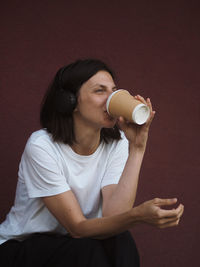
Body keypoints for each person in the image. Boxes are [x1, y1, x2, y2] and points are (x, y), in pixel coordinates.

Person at [0, 59, 184, 267]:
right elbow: (77, 228)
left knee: (121, 241)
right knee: (86, 250)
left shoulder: (118, 143)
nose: (111, 99)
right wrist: (138, 216)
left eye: (114, 90)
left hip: (78, 245)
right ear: (70, 101)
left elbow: (114, 216)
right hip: (21, 248)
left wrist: (137, 148)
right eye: (100, 91)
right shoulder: (42, 146)